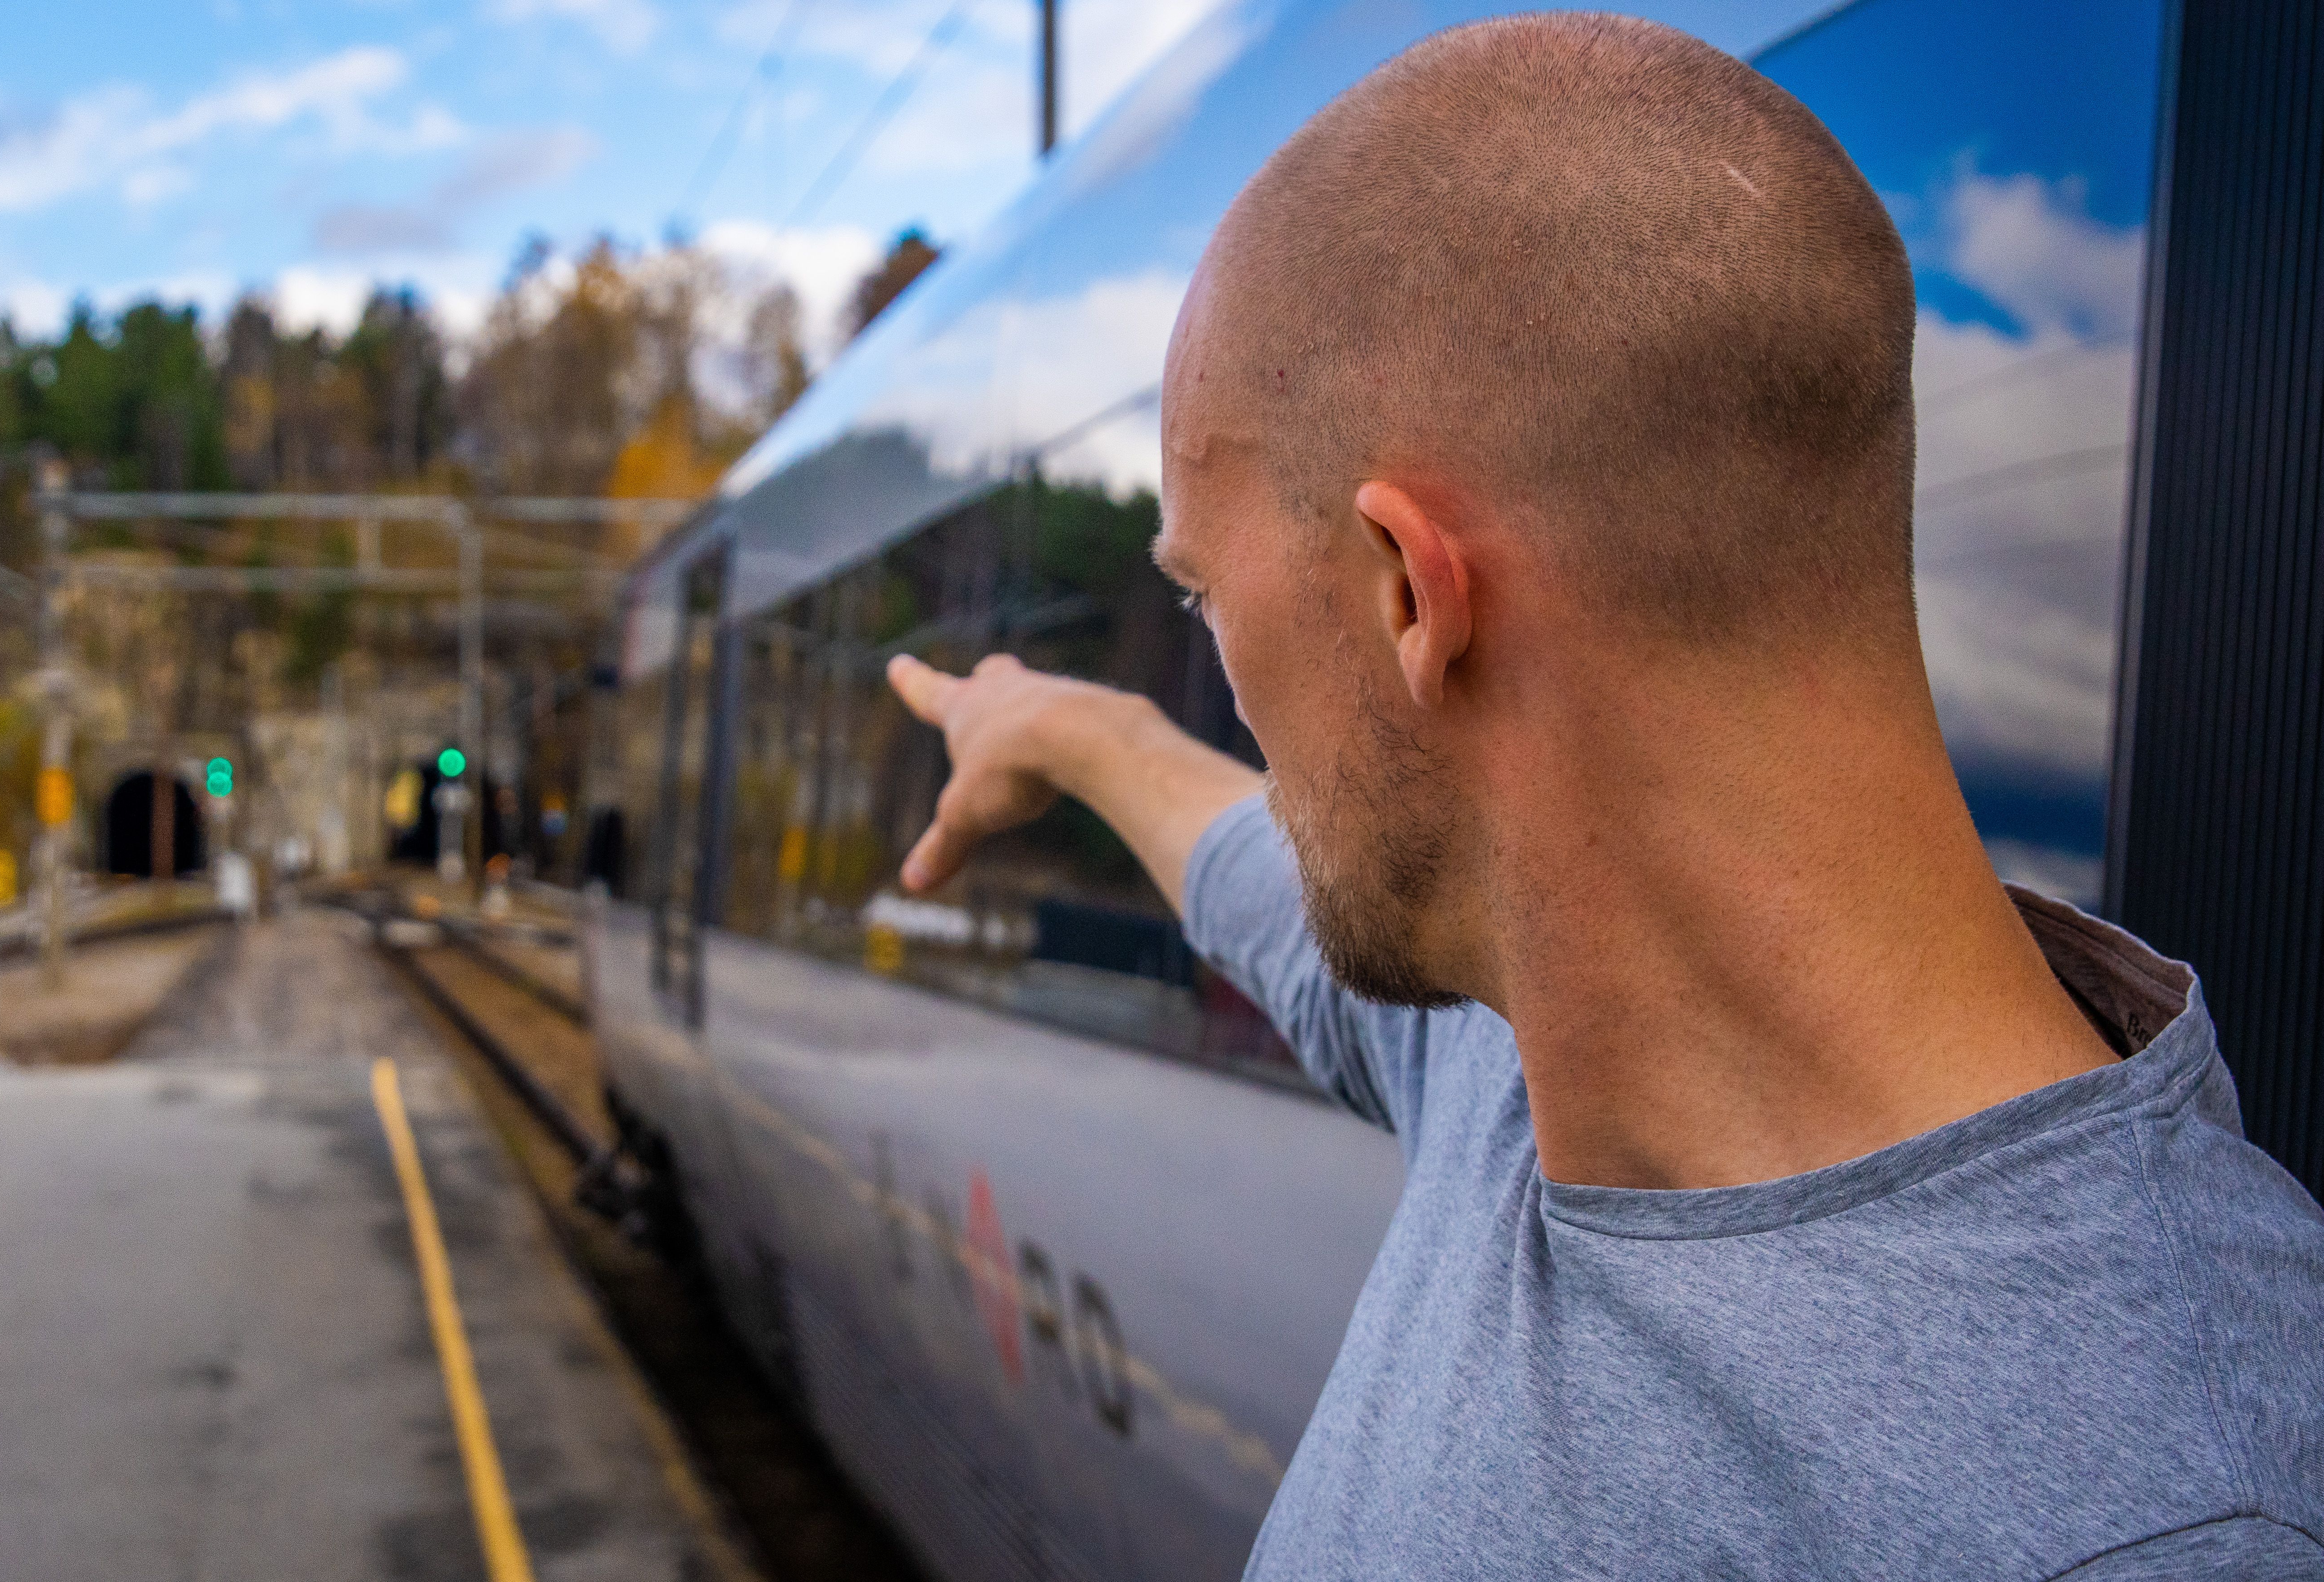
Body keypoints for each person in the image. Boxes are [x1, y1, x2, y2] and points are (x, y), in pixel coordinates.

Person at [884, 14, 2324, 1578]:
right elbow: (1264, 882)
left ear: (1410, 600)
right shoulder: (1536, 1058)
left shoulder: (2179, 1524)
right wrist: (1066, 731)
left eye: (1208, 603)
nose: (1224, 679)